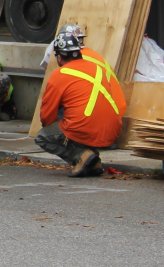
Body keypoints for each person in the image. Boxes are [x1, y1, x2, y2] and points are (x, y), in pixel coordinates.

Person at [36, 30, 127, 177]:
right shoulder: (97, 67)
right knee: (77, 124)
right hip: (113, 131)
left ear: (59, 56)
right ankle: (92, 159)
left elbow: (46, 116)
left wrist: (63, 132)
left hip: (86, 129)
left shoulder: (59, 75)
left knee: (43, 136)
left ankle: (81, 156)